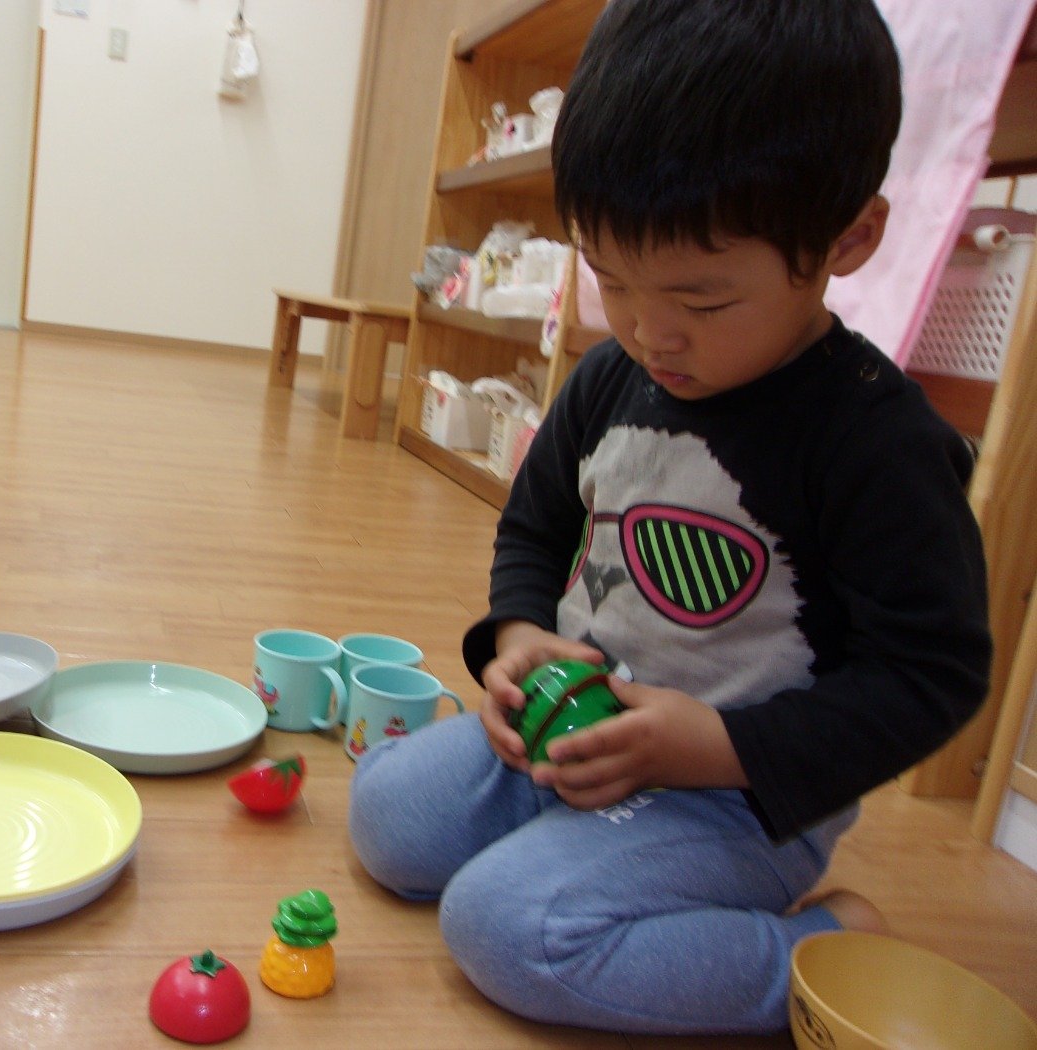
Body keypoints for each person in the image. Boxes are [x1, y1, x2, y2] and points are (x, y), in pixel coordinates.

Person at [347, 0, 992, 1036]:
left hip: (735, 799)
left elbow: (930, 678)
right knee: (385, 816)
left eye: (702, 301)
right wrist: (519, 639)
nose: (651, 334)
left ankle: (817, 949)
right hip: (568, 735)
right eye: (611, 279)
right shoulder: (611, 379)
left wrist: (716, 747)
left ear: (849, 238)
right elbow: (534, 529)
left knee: (502, 928)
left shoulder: (875, 441)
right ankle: (575, 859)